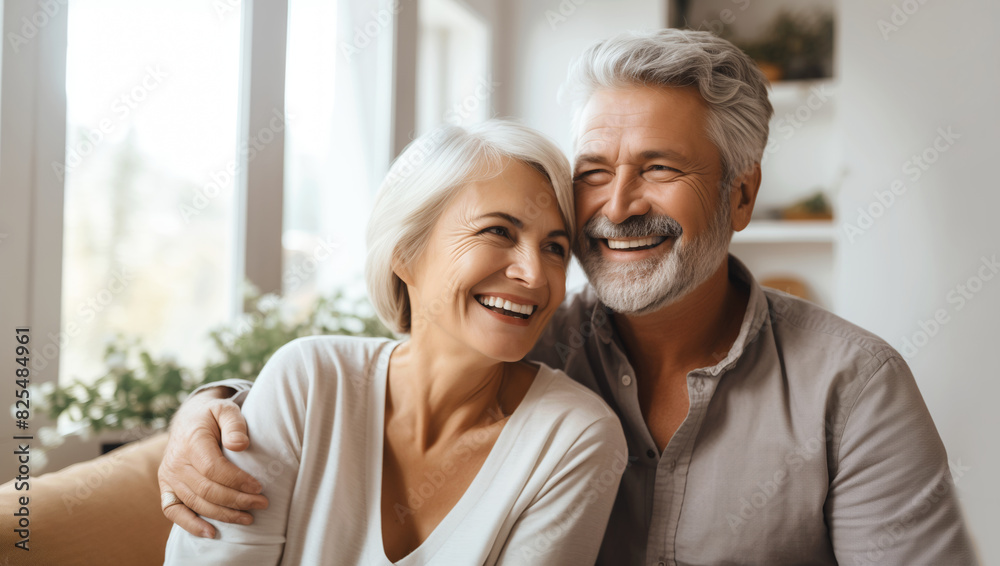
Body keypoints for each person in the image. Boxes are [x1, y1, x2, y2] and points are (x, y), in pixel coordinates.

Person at [160, 30, 978, 565]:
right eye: (592, 172)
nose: (616, 206)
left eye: (659, 168)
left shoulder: (853, 385)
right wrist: (216, 409)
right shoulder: (519, 339)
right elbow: (382, 373)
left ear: (740, 195)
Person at [161, 120, 628, 565]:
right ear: (406, 252)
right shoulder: (308, 379)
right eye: (498, 231)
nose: (533, 273)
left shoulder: (575, 436)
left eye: (554, 248)